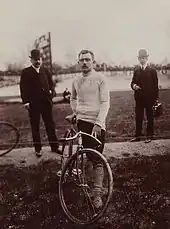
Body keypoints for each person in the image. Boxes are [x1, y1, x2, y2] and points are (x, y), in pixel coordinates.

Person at [70, 49, 110, 208]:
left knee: (97, 158)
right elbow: (73, 98)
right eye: (82, 60)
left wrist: (99, 123)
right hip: (82, 123)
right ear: (78, 62)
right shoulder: (75, 80)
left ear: (93, 62)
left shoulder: (100, 78)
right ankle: (88, 189)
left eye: (87, 59)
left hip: (96, 124)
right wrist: (75, 112)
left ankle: (97, 194)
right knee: (86, 156)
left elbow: (105, 102)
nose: (85, 62)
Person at [20, 49, 61, 157]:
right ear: (31, 60)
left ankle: (55, 146)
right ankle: (38, 149)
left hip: (46, 103)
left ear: (41, 59)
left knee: (50, 125)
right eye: (35, 60)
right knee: (35, 127)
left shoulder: (45, 71)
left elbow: (51, 85)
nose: (37, 62)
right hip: (33, 104)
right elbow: (23, 88)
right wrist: (26, 102)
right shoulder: (26, 72)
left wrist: (51, 94)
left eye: (39, 59)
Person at [130, 49, 159, 143]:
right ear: (138, 59)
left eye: (144, 58)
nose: (142, 60)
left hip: (150, 98)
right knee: (138, 117)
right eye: (140, 58)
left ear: (147, 58)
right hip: (139, 98)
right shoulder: (136, 70)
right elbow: (132, 82)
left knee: (150, 117)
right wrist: (134, 86)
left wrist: (156, 99)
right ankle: (137, 136)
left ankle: (149, 135)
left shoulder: (152, 70)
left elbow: (155, 86)